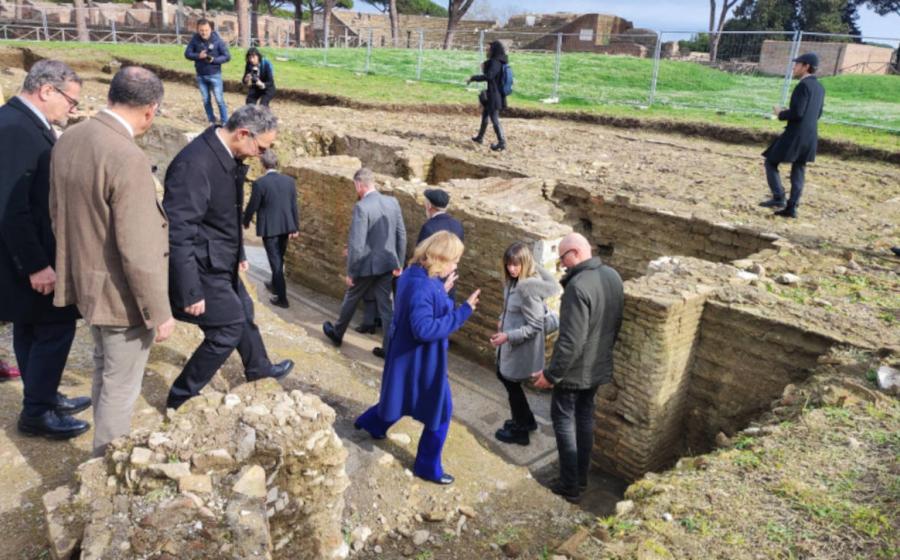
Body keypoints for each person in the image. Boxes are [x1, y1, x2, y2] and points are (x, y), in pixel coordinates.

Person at [50, 67, 175, 457]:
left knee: (104, 373)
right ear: (150, 110)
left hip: (87, 285)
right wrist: (159, 312)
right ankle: (105, 464)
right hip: (122, 300)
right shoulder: (126, 155)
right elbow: (139, 249)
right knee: (121, 388)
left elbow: (57, 212)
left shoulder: (71, 136)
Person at [163, 105, 294, 410]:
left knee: (244, 308)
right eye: (260, 147)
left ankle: (259, 367)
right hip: (201, 265)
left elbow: (227, 216)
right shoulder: (194, 165)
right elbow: (178, 232)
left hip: (221, 259)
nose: (260, 155)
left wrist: (239, 253)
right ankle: (181, 395)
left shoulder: (226, 155)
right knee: (227, 328)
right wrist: (190, 290)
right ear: (243, 134)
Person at [0, 60, 91, 440]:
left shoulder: (23, 122)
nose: (72, 109)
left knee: (30, 327)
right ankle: (36, 412)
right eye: (71, 100)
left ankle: (43, 394)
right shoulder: (16, 128)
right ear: (47, 90)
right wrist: (37, 265)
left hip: (27, 254)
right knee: (55, 326)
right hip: (29, 256)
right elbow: (10, 205)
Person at [354, 231, 481, 485]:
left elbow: (419, 302)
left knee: (399, 398)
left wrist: (440, 290)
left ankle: (371, 423)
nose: (456, 265)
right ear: (440, 259)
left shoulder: (413, 274)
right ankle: (427, 466)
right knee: (441, 412)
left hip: (404, 356)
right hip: (423, 361)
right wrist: (463, 311)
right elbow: (424, 329)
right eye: (454, 260)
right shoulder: (425, 286)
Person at [533, 233, 623, 504]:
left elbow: (570, 340)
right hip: (598, 366)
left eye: (563, 259)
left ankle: (569, 485)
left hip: (574, 372)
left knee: (563, 422)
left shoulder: (578, 286)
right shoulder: (612, 276)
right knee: (584, 420)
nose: (562, 265)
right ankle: (581, 477)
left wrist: (551, 375)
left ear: (574, 252)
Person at [322, 168, 406, 359]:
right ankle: (389, 346)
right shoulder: (393, 202)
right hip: (387, 263)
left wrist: (351, 272)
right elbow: (401, 234)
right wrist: (399, 262)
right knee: (386, 306)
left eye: (355, 186)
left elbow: (357, 244)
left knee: (351, 298)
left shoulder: (362, 207)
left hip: (366, 266)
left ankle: (337, 333)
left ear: (359, 184)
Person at [357, 187, 464, 334]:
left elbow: (421, 257)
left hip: (430, 279)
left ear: (429, 206)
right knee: (441, 317)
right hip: (449, 277)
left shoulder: (429, 227)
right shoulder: (457, 225)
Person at [490, 242, 559, 447]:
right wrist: (503, 319)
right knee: (506, 379)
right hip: (511, 343)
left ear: (525, 263)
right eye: (509, 264)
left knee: (510, 382)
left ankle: (521, 432)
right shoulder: (513, 282)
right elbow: (511, 308)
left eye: (516, 264)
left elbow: (536, 325)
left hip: (521, 348)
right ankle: (526, 421)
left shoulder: (527, 289)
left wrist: (508, 336)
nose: (512, 268)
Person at [760, 52, 825, 219]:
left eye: (797, 64)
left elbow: (798, 113)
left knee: (770, 162)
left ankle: (778, 197)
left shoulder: (802, 86)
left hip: (795, 134)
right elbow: (818, 113)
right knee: (799, 168)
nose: (794, 67)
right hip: (810, 135)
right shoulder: (819, 87)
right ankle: (792, 207)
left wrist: (781, 113)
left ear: (806, 67)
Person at [242, 149, 299, 309]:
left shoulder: (260, 183)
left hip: (270, 229)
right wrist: (295, 226)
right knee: (279, 259)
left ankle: (282, 298)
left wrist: (245, 221)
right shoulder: (289, 181)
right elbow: (294, 205)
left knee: (275, 263)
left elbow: (253, 205)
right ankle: (275, 284)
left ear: (263, 164)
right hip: (286, 226)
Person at [185, 18, 230, 125]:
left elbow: (227, 56)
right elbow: (187, 54)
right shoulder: (194, 40)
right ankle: (211, 120)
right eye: (201, 30)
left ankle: (225, 122)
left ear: (211, 29)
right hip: (201, 75)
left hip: (215, 74)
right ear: (197, 30)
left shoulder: (218, 41)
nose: (204, 32)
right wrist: (198, 56)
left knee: (219, 100)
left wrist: (214, 60)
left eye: (206, 30)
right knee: (206, 100)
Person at [467, 40, 509, 152]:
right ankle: (480, 137)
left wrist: (473, 78)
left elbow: (489, 76)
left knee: (494, 119)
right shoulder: (497, 61)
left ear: (493, 50)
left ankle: (502, 142)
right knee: (485, 115)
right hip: (493, 94)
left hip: (494, 96)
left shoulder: (496, 62)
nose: (487, 51)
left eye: (488, 49)